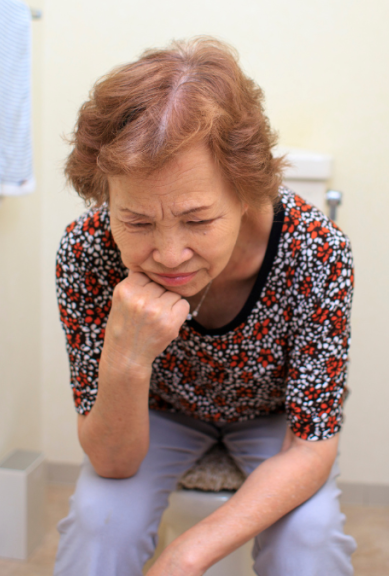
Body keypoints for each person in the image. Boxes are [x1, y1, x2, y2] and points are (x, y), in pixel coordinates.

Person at [53, 36, 356, 576]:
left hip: (270, 420)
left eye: (198, 220)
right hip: (156, 413)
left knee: (310, 538)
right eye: (138, 221)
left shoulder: (317, 252)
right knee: (98, 519)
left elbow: (312, 445)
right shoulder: (87, 252)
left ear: (246, 191)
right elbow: (112, 462)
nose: (170, 256)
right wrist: (127, 357)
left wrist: (185, 555)